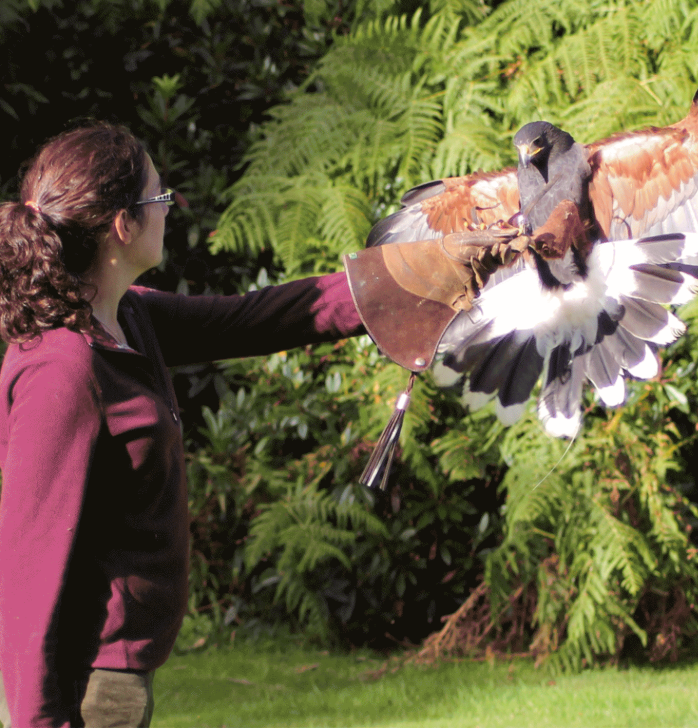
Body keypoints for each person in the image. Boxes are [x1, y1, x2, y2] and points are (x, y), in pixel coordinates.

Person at [0, 122, 527, 727]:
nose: (170, 210)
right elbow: (27, 580)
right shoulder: (61, 373)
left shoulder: (127, 321)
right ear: (122, 225)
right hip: (86, 691)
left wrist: (424, 270)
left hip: (118, 680)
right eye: (160, 199)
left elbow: (260, 317)